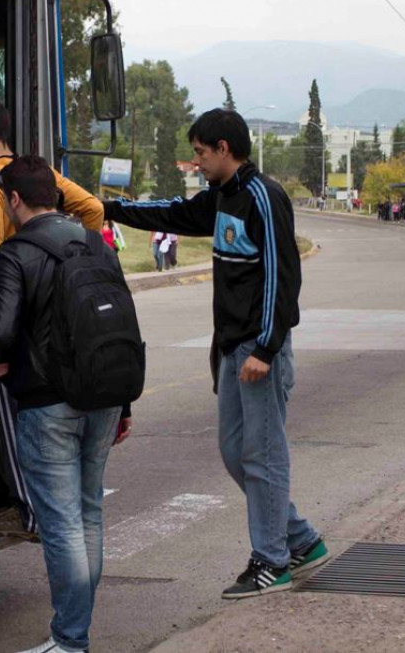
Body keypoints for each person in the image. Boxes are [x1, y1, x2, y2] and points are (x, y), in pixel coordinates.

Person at [104, 109, 329, 599]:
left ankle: (272, 560)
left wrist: (267, 349)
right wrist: (110, 210)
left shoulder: (262, 198)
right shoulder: (221, 197)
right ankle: (300, 539)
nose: (197, 162)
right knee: (234, 453)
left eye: (202, 153)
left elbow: (282, 278)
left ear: (225, 149)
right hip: (230, 349)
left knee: (263, 456)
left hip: (257, 350)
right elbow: (173, 213)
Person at [0, 156, 133, 653]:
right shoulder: (97, 246)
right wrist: (122, 406)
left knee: (60, 525)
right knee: (89, 515)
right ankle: (76, 630)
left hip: (46, 404)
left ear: (13, 200)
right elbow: (118, 324)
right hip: (102, 397)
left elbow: (1, 326)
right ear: (55, 196)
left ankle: (70, 639)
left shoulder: (15, 252)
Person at [0, 98, 104, 541]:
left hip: (0, 322)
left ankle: (30, 511)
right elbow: (95, 210)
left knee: (4, 425)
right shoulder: (39, 175)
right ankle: (35, 505)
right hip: (43, 325)